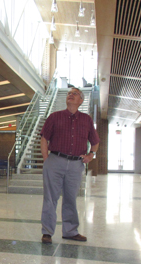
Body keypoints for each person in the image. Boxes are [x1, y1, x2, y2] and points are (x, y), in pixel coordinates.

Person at [40, 86, 100, 244]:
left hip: (75, 164)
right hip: (55, 161)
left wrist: (91, 155)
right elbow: (44, 138)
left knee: (70, 199)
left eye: (75, 94)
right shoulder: (54, 117)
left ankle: (70, 231)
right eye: (69, 93)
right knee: (50, 198)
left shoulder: (86, 120)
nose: (71, 95)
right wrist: (47, 160)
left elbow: (95, 142)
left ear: (81, 101)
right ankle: (47, 232)